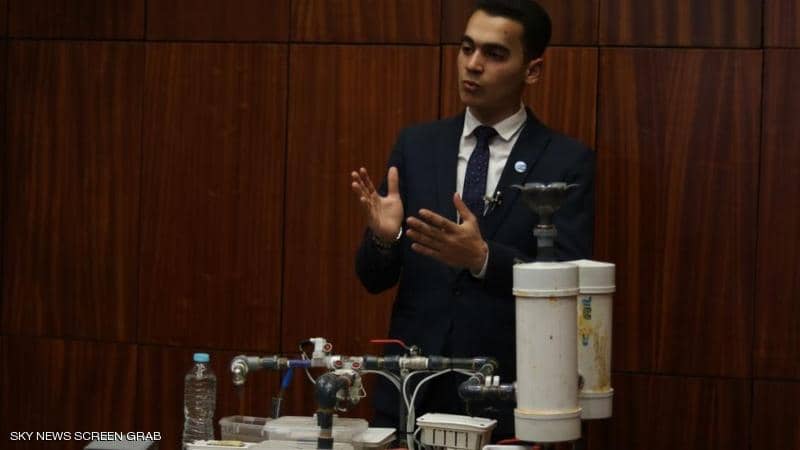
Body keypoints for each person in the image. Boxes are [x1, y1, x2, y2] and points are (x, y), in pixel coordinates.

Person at [350, 0, 595, 440]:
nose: (473, 64)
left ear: (532, 70)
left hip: (507, 393)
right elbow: (373, 278)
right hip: (411, 392)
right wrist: (385, 239)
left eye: (494, 54)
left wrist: (483, 259)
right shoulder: (417, 146)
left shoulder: (565, 161)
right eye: (467, 48)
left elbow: (568, 283)